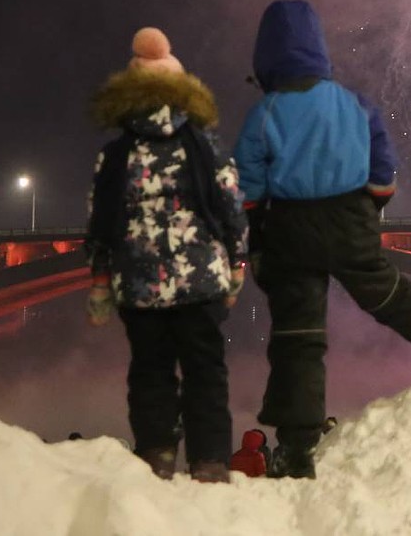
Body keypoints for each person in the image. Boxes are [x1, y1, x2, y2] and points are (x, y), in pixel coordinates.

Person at [234, 0, 411, 479]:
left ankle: (296, 447)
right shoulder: (354, 104)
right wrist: (371, 204)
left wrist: (260, 228)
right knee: (386, 293)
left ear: (265, 58)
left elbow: (247, 187)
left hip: (291, 226)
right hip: (351, 216)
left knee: (298, 334)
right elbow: (383, 167)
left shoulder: (264, 113)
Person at [86, 27, 248, 484]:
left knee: (150, 372)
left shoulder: (116, 154)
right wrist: (237, 264)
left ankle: (156, 456)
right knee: (206, 372)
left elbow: (100, 222)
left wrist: (100, 281)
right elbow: (230, 206)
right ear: (182, 93)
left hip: (138, 284)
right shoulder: (202, 145)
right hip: (200, 283)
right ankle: (210, 462)